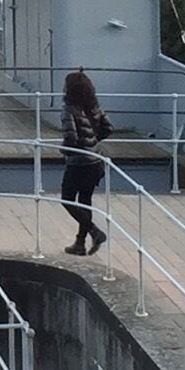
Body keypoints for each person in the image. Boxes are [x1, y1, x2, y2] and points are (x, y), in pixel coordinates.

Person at [59, 68, 111, 255]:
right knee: (84, 200)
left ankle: (94, 232)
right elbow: (108, 128)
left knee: (67, 199)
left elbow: (71, 138)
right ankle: (80, 243)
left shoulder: (68, 110)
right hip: (95, 161)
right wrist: (93, 141)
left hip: (78, 163)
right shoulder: (94, 107)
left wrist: (64, 150)